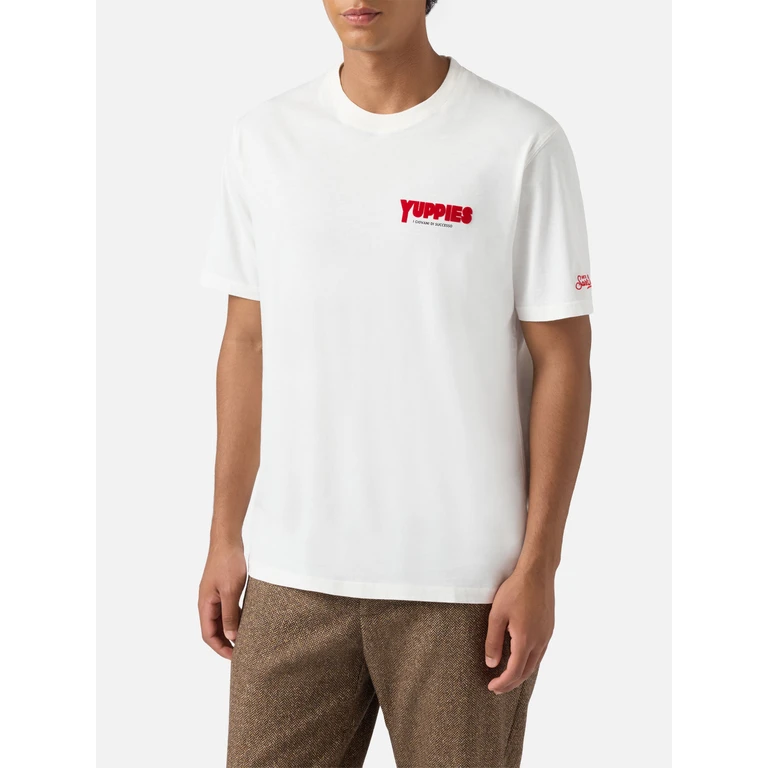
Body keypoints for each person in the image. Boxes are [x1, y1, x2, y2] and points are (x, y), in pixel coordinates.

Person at [198, 1, 593, 765]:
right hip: (291, 576)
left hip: (465, 591)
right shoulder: (264, 138)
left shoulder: (519, 141)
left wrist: (540, 564)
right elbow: (245, 341)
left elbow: (565, 361)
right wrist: (224, 535)